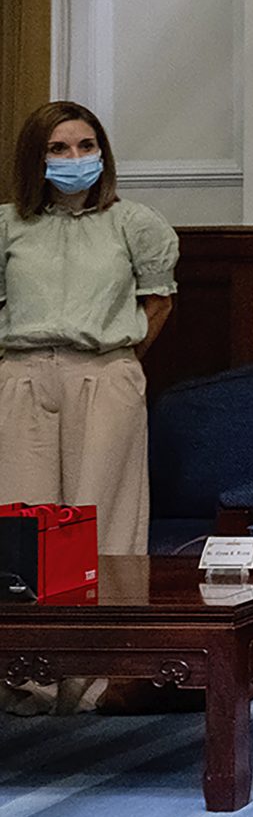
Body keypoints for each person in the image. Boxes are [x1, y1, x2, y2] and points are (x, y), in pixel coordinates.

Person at [0, 103, 178, 714]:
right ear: (35, 158)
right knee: (24, 527)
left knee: (98, 519)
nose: (74, 159)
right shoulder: (8, 227)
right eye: (59, 148)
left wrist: (117, 364)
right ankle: (28, 680)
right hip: (22, 374)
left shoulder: (136, 223)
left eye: (85, 146)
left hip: (105, 373)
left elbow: (157, 305)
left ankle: (95, 677)